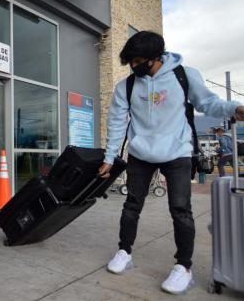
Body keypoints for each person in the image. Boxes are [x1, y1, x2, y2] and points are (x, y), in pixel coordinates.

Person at [98, 31, 244, 295]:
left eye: (139, 61)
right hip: (141, 153)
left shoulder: (184, 76)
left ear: (156, 58)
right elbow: (117, 123)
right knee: (131, 204)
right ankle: (124, 252)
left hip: (177, 150)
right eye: (131, 61)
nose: (134, 66)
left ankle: (183, 267)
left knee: (180, 209)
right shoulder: (127, 87)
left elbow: (208, 103)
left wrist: (233, 109)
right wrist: (109, 158)